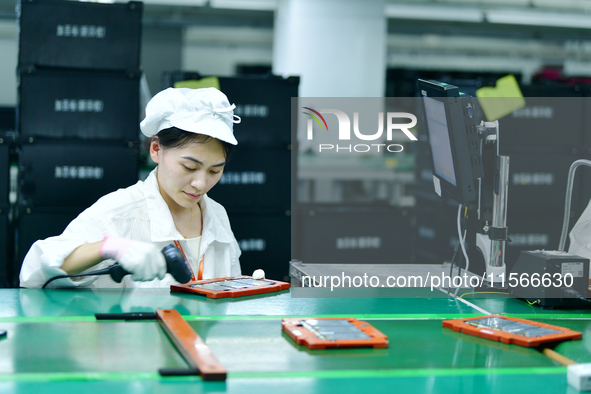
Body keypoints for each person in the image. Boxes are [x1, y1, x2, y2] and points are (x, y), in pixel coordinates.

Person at [20, 87, 243, 288]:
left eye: (215, 170)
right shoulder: (119, 213)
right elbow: (33, 274)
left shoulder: (217, 215)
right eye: (189, 167)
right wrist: (109, 247)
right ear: (156, 149)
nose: (201, 183)